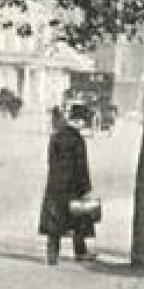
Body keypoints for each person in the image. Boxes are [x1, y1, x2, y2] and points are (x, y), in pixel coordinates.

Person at [38, 107, 95, 264]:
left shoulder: (55, 137)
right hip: (74, 186)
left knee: (55, 220)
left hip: (55, 185)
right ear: (79, 121)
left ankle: (52, 255)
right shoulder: (78, 139)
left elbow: (51, 161)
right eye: (84, 121)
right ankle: (80, 252)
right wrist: (86, 188)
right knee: (78, 219)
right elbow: (82, 166)